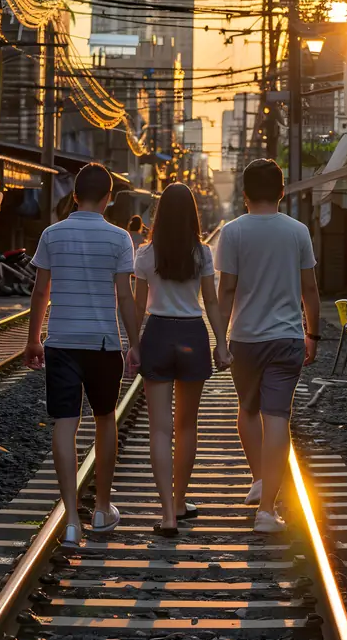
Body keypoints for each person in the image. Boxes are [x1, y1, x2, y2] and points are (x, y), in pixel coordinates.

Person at [24, 163, 141, 549]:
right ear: (109, 199)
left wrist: (33, 340)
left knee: (65, 423)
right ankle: (103, 508)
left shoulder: (52, 235)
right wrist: (134, 342)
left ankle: (72, 519)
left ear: (74, 196)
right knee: (105, 420)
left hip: (61, 342)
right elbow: (125, 296)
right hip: (103, 344)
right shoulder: (120, 238)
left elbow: (41, 292)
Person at [215, 159, 320, 534]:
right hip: (287, 337)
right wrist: (313, 334)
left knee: (248, 408)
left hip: (245, 338)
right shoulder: (297, 232)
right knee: (277, 417)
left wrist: (219, 338)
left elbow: (226, 289)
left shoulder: (233, 232)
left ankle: (259, 477)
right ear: (281, 192)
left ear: (243, 196)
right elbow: (309, 288)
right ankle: (266, 510)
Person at [133, 182, 231, 537]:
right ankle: (179, 501)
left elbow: (137, 305)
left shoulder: (145, 254)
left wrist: (132, 344)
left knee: (159, 428)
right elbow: (212, 303)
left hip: (158, 333)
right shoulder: (202, 253)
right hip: (192, 335)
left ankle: (167, 516)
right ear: (192, 214)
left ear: (159, 215)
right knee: (186, 426)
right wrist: (222, 343)